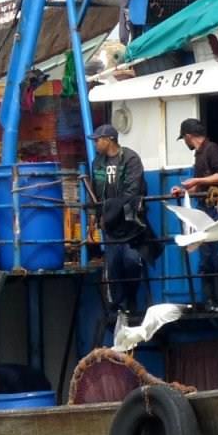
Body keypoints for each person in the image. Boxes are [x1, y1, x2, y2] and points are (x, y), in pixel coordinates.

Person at [170, 118, 218, 311]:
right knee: (207, 254)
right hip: (204, 208)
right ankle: (211, 301)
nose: (184, 142)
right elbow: (201, 186)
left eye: (184, 138)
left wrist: (196, 180)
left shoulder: (212, 150)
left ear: (188, 136)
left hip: (217, 207)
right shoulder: (200, 154)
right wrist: (184, 192)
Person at [89, 123, 147, 315]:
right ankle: (118, 306)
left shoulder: (130, 159)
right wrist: (94, 217)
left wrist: (108, 214)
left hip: (131, 223)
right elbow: (95, 194)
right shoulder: (97, 163)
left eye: (98, 140)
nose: (95, 143)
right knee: (113, 266)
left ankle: (132, 300)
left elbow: (132, 191)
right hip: (110, 226)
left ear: (109, 140)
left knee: (131, 261)